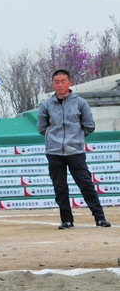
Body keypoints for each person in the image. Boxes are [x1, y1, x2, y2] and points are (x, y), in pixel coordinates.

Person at [37, 69, 111, 229]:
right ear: (52, 84)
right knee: (60, 187)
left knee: (85, 184)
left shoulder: (80, 103)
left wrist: (76, 138)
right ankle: (66, 220)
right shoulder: (46, 105)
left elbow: (89, 126)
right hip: (54, 153)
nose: (60, 85)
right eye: (57, 82)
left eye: (63, 81)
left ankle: (100, 218)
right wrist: (53, 139)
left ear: (70, 83)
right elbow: (42, 128)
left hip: (75, 152)